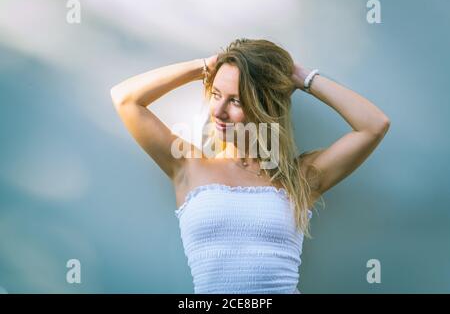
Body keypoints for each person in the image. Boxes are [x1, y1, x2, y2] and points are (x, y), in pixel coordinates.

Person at [110, 38, 390, 294]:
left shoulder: (300, 177)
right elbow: (126, 99)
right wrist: (205, 66)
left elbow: (374, 125)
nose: (218, 111)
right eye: (216, 94)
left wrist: (303, 78)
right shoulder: (187, 165)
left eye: (235, 100)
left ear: (264, 107)